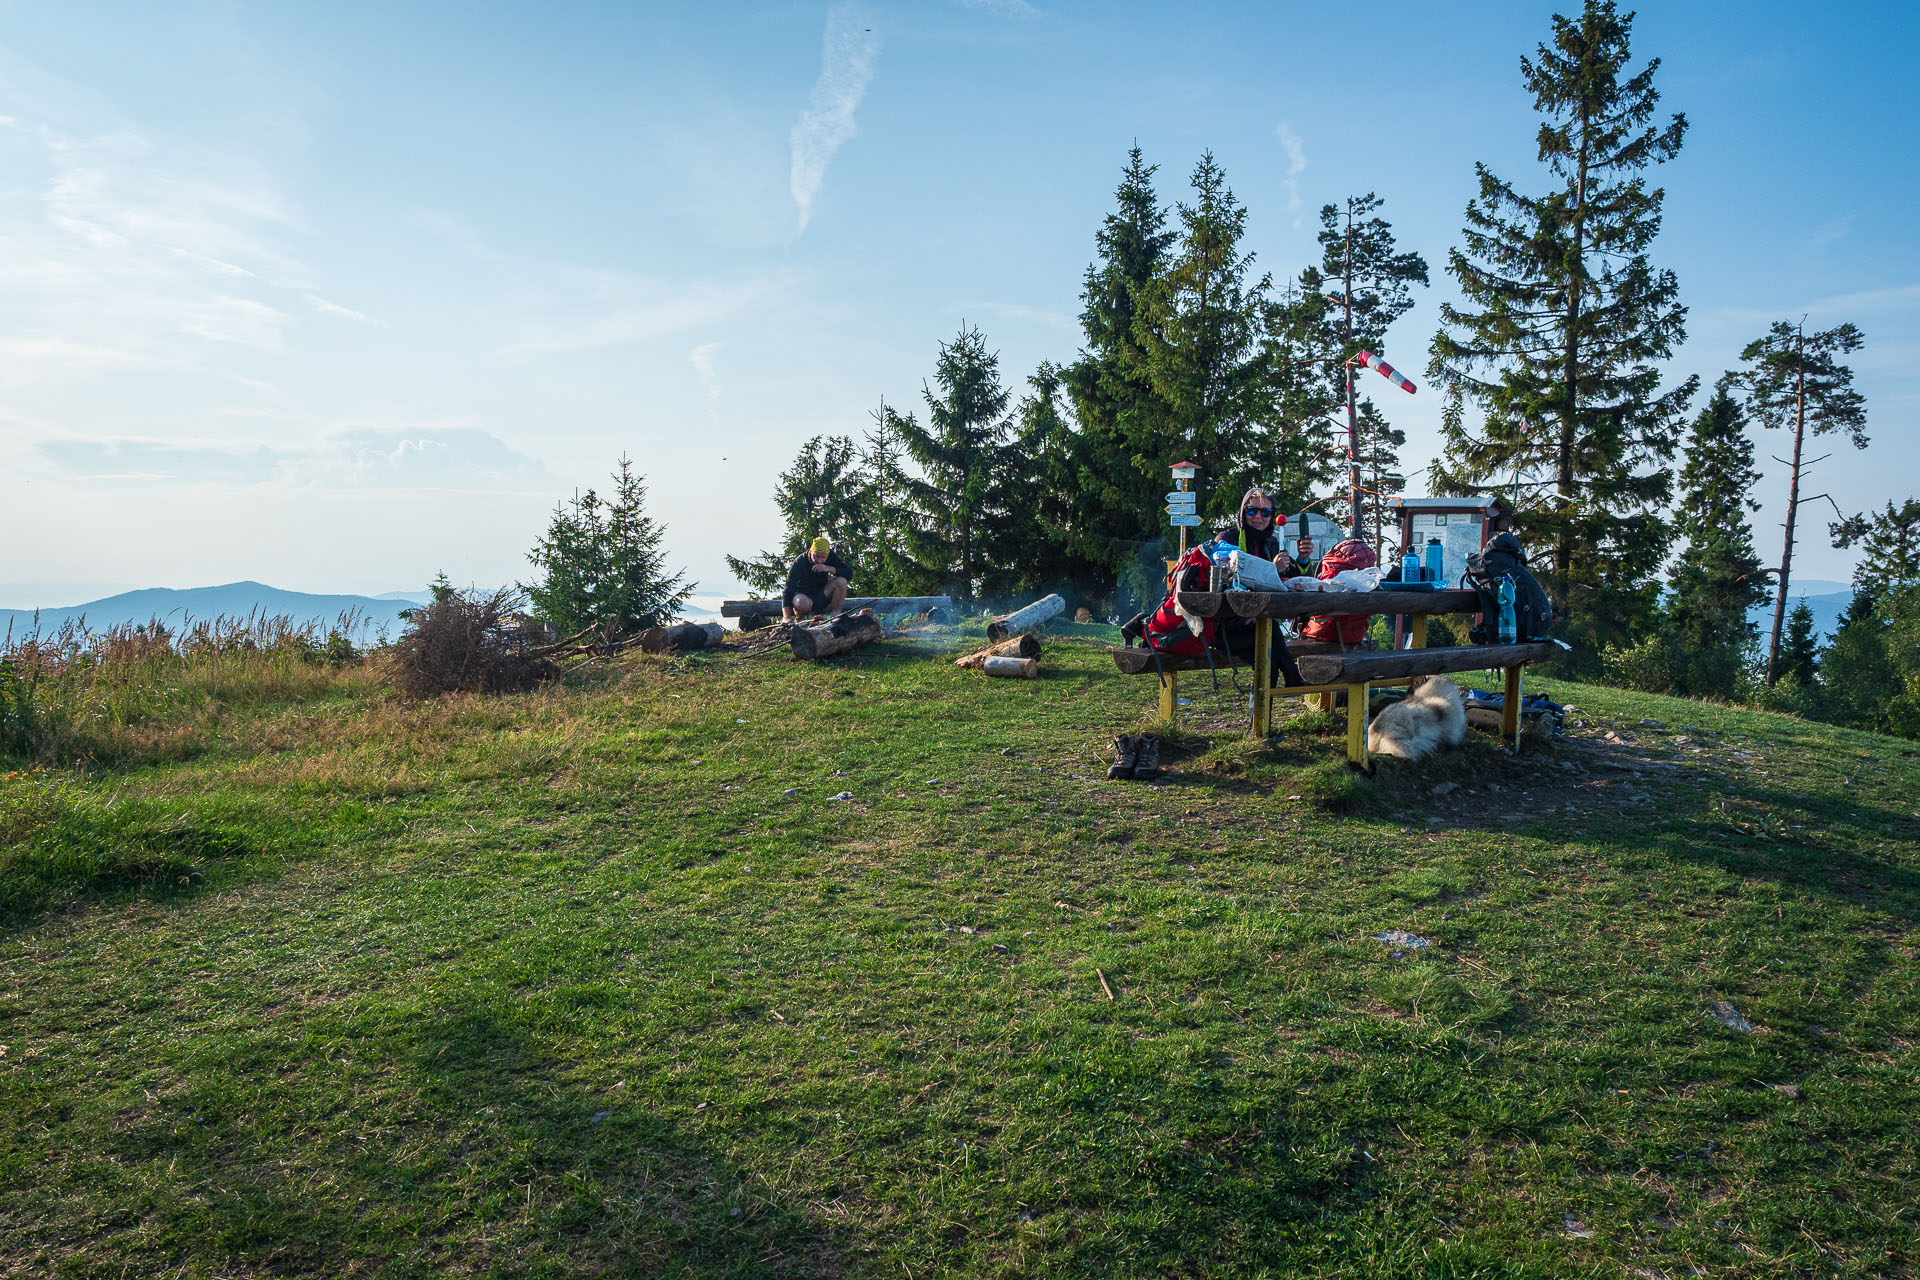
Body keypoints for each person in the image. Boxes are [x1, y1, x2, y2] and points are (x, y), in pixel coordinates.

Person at [1210, 486, 1305, 686]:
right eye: (1252, 510)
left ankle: (1263, 716)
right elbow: (1230, 577)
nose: (1258, 516)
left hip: (1256, 626)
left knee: (1268, 660)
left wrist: (1303, 559)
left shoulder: (1271, 543)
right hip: (1226, 626)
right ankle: (1292, 674)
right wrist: (1272, 569)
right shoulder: (1227, 539)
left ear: (1272, 516)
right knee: (1268, 632)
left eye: (1266, 512)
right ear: (1243, 512)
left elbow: (1292, 577)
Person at [782, 536, 852, 621]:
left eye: (823, 557)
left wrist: (828, 568)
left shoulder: (831, 556)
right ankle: (802, 618)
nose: (820, 560)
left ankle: (835, 616)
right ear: (811, 552)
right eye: (817, 556)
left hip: (822, 596)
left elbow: (848, 573)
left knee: (842, 581)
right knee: (803, 603)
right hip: (802, 598)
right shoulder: (799, 562)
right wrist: (786, 617)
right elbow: (788, 590)